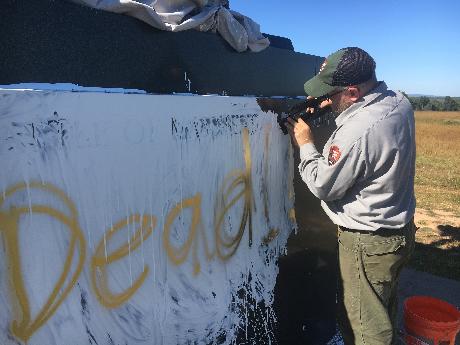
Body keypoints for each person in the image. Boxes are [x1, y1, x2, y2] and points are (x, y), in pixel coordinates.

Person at [285, 47, 416, 345]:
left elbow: (323, 185)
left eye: (331, 94)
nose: (326, 100)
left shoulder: (358, 131)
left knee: (363, 329)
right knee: (380, 312)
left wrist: (306, 144)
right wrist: (326, 104)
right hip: (398, 233)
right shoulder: (398, 101)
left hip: (367, 243)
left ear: (353, 92)